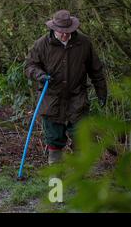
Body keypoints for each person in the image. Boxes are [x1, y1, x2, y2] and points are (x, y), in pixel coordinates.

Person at [25, 9, 107, 164]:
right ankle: (55, 179)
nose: (64, 35)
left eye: (68, 31)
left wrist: (102, 92)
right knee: (54, 139)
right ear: (53, 29)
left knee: (81, 137)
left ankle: (79, 178)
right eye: (61, 31)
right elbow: (30, 66)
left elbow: (95, 70)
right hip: (51, 99)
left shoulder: (84, 43)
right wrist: (40, 75)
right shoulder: (42, 44)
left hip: (77, 98)